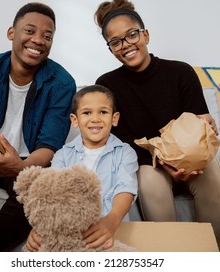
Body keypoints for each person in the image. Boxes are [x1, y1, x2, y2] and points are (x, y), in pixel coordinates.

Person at [94, 0, 220, 251]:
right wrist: (163, 162)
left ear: (145, 35)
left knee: (209, 173)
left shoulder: (181, 73)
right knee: (149, 180)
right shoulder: (106, 85)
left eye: (132, 35)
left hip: (190, 158)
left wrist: (206, 128)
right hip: (149, 163)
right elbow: (119, 143)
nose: (126, 45)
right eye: (116, 42)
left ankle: (218, 253)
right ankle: (169, 255)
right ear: (110, 48)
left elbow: (198, 126)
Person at [0, 2, 76, 251]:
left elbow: (49, 145)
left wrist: (18, 167)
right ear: (12, 33)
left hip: (27, 162)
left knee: (41, 190)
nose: (38, 40)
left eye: (47, 36)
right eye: (29, 31)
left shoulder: (62, 83)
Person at [24, 85, 139, 251]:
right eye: (87, 113)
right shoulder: (62, 155)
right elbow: (52, 194)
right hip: (68, 231)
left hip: (108, 230)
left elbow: (125, 188)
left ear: (115, 118)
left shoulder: (124, 152)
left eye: (103, 112)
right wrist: (40, 226)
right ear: (74, 120)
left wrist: (111, 221)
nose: (95, 119)